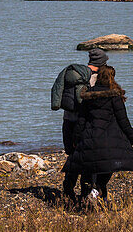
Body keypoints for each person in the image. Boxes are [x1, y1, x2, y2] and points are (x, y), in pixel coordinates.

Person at [62, 65, 133, 205]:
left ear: (99, 77)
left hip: (89, 137)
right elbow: (123, 120)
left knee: (89, 168)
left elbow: (81, 120)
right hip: (110, 140)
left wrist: (75, 140)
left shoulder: (88, 95)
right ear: (112, 77)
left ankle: (89, 195)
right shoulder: (114, 95)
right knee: (107, 167)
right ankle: (100, 192)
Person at [51, 47, 107, 200]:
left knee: (72, 155)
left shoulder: (74, 74)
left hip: (68, 120)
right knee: (88, 158)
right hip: (83, 124)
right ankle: (86, 192)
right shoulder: (94, 78)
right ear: (101, 63)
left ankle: (68, 189)